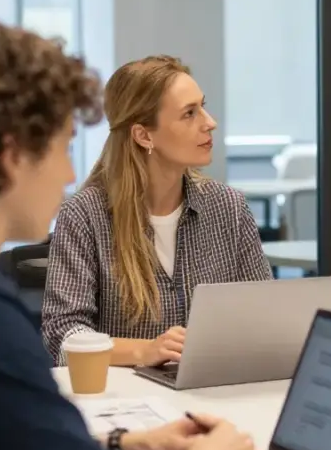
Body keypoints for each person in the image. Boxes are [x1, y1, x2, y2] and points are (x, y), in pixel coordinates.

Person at [0, 21, 263, 450]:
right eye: (62, 148)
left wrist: (121, 447)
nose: (68, 172)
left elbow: (1, 443)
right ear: (13, 156)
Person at [42, 55, 272, 367]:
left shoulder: (228, 207)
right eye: (189, 113)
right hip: (124, 404)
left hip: (214, 391)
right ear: (144, 135)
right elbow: (63, 336)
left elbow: (263, 316)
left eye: (202, 106)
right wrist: (145, 351)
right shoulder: (85, 215)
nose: (210, 122)